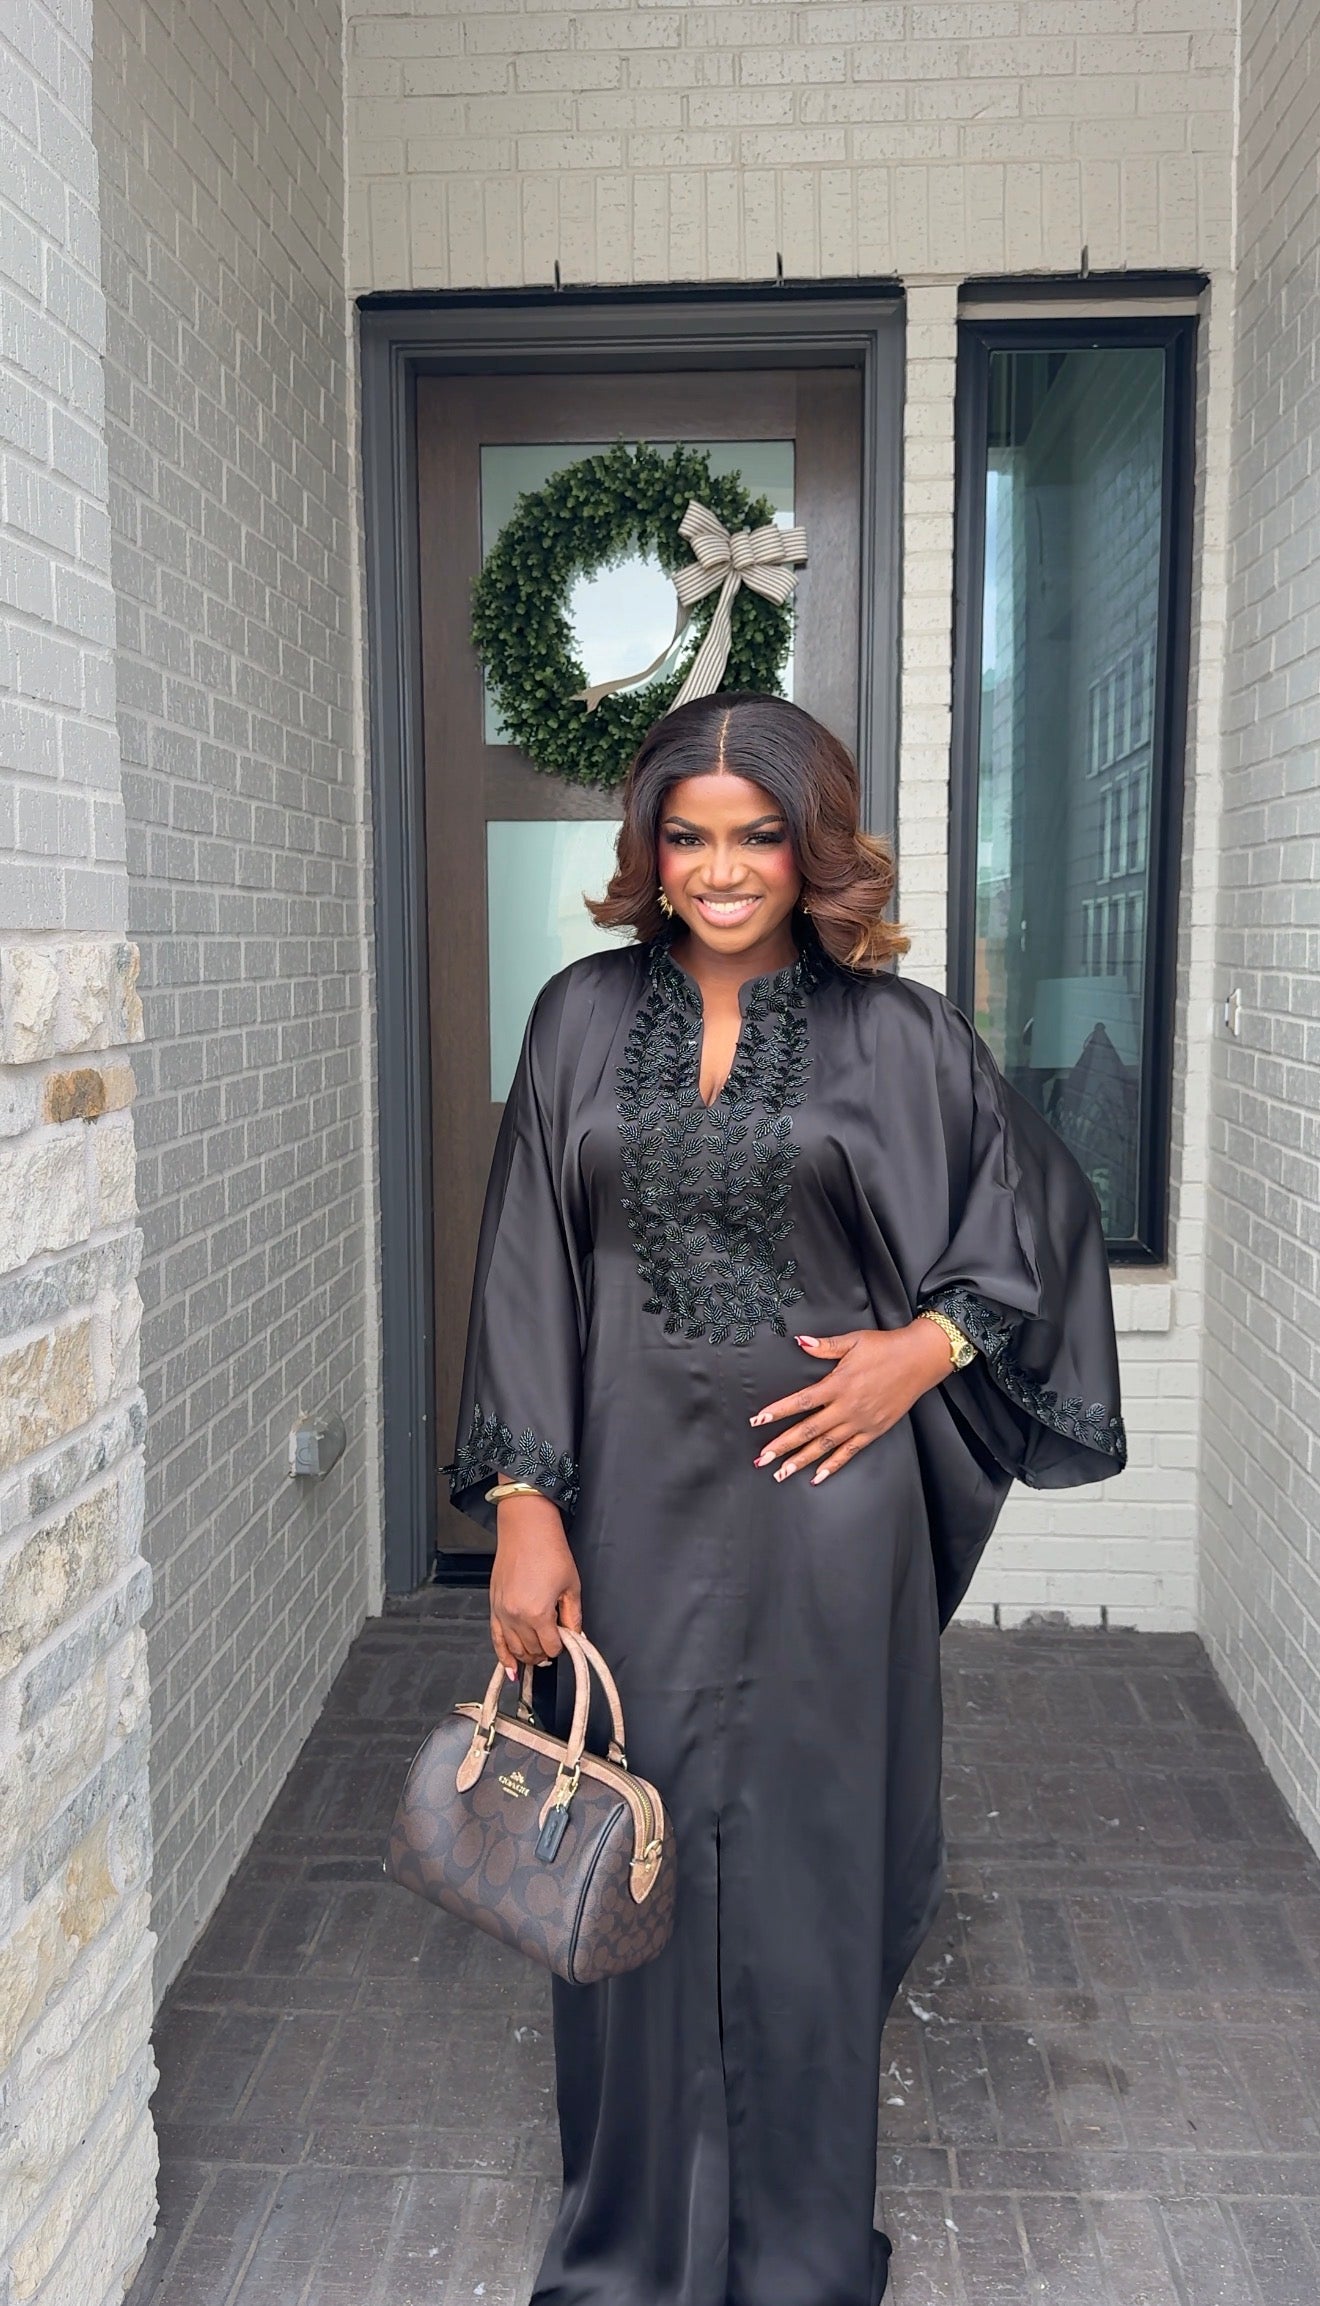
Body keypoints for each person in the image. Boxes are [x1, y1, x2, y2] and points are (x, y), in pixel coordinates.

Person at [446, 693, 1126, 2306]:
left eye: (759, 834)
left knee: (814, 1868)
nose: (723, 868)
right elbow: (527, 1256)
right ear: (650, 848)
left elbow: (1038, 1224)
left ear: (813, 844)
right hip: (626, 1510)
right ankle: (631, 2242)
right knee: (623, 1838)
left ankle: (800, 2247)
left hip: (830, 1515)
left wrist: (920, 1352)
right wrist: (527, 1501)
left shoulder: (902, 1035)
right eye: (689, 836)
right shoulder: (577, 1018)